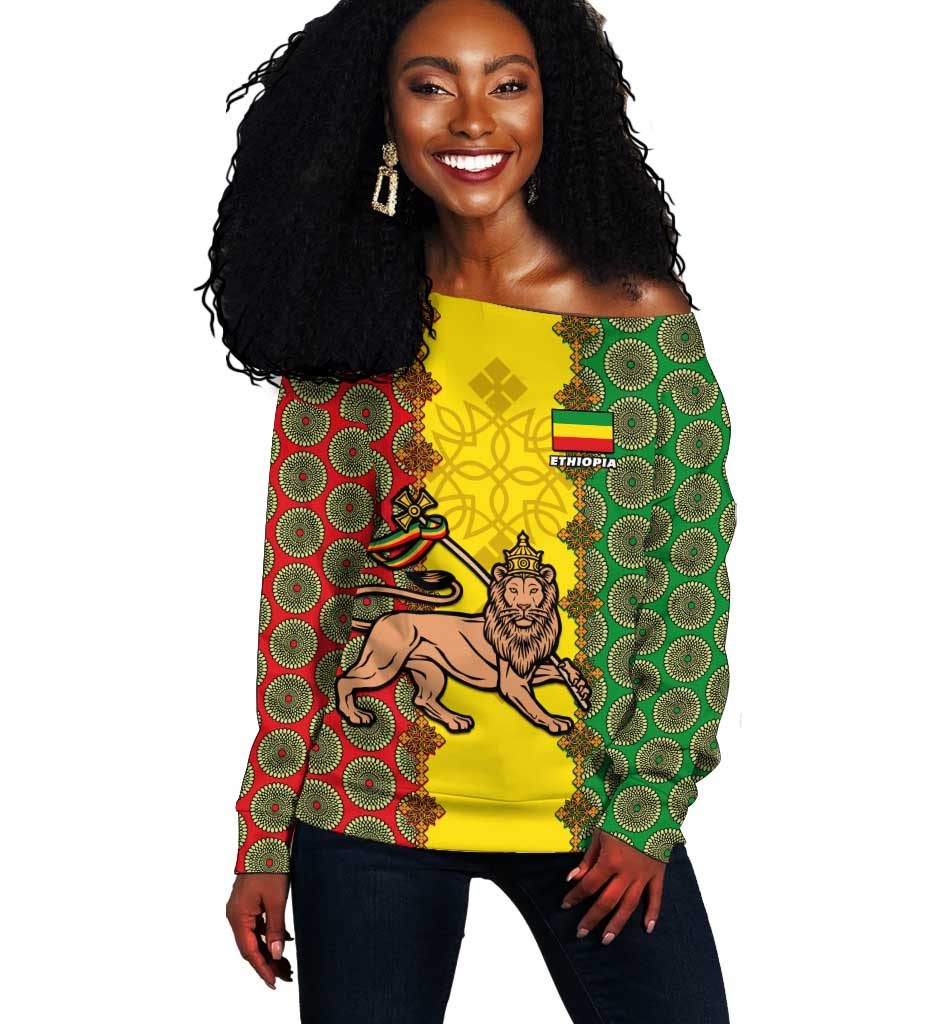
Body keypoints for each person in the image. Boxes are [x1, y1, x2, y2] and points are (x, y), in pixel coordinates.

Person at [201, 1, 738, 1021]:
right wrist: (264, 834)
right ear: (384, 114)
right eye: (431, 85)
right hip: (364, 817)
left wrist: (646, 807)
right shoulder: (351, 325)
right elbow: (304, 594)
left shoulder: (640, 327)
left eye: (508, 83)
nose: (474, 118)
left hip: (595, 821)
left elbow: (687, 585)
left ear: (552, 104)